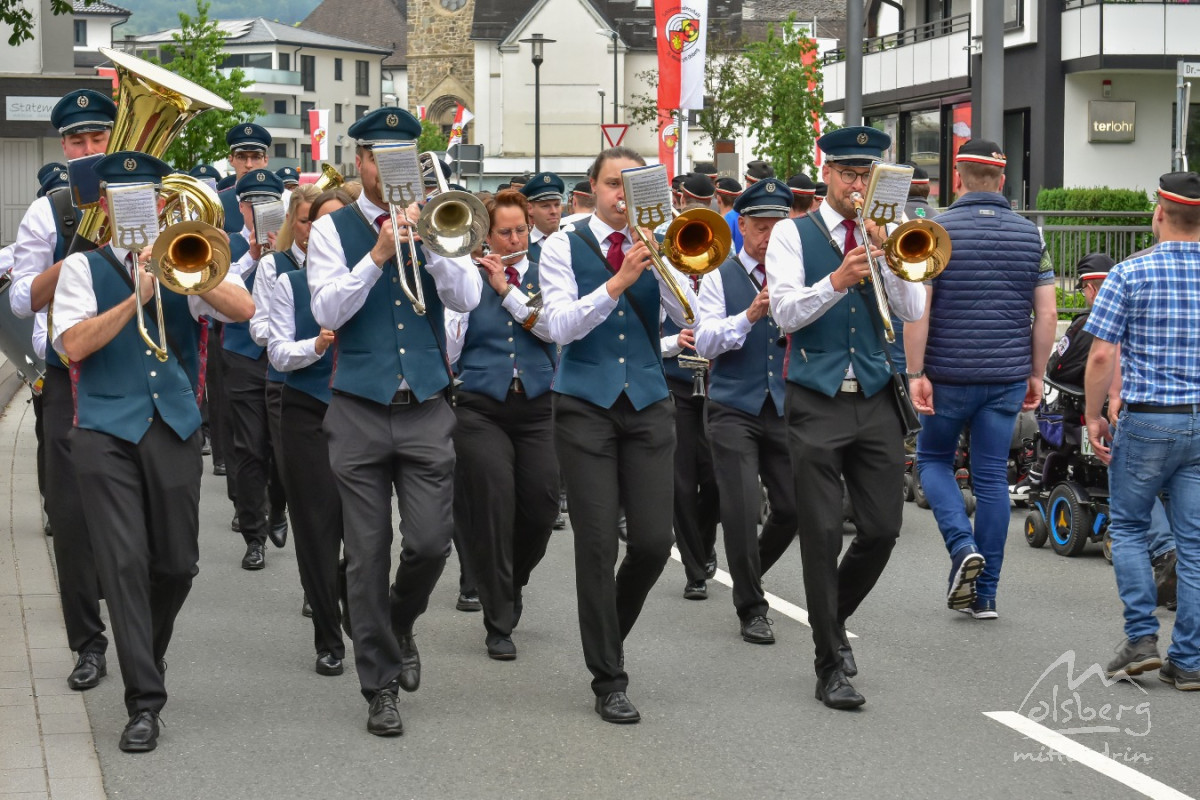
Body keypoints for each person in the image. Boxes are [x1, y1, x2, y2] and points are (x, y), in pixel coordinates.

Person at [54, 150, 254, 751]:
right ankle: (144, 702)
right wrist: (135, 294)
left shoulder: (184, 256)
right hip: (104, 433)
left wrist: (191, 266)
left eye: (146, 197)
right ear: (105, 207)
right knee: (123, 566)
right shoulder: (80, 268)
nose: (136, 207)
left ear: (161, 203)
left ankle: (147, 652)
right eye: (124, 199)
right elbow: (72, 345)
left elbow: (245, 311)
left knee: (177, 565)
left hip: (173, 425)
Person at [306, 106, 481, 736]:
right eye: (380, 159)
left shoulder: (437, 217)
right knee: (366, 553)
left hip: (426, 404)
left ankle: (398, 623)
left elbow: (468, 297)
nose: (391, 169)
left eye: (402, 157)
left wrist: (431, 245)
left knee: (431, 542)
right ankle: (379, 686)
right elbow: (326, 310)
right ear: (361, 162)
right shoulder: (333, 230)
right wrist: (378, 254)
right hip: (357, 406)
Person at [766, 126, 926, 709]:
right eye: (849, 174)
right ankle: (829, 665)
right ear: (827, 174)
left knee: (882, 529)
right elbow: (784, 314)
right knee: (822, 531)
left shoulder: (887, 230)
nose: (858, 185)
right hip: (816, 396)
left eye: (867, 175)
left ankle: (831, 620)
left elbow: (912, 309)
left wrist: (890, 258)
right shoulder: (792, 232)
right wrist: (837, 281)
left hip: (876, 395)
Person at [541, 146, 696, 724]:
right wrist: (618, 281)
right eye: (612, 184)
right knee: (597, 543)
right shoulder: (563, 245)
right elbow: (559, 326)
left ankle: (608, 633)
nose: (621, 195)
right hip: (585, 405)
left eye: (631, 186)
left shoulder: (660, 242)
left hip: (649, 402)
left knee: (654, 543)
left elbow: (692, 317)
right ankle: (609, 678)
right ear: (592, 190)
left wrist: (666, 263)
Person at [905, 139, 1055, 620]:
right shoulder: (1031, 236)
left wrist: (915, 371)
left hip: (947, 373)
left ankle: (961, 545)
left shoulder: (933, 232)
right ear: (1003, 180)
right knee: (991, 477)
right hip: (1006, 375)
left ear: (957, 177)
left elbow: (919, 309)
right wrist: (1036, 373)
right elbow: (1047, 314)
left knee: (933, 459)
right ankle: (985, 594)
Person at [9, 89, 115, 693]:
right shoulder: (47, 211)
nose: (88, 149)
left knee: (160, 536)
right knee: (72, 520)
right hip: (69, 379)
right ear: (63, 146)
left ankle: (142, 627)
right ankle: (88, 644)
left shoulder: (152, 196)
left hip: (137, 374)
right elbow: (22, 299)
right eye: (78, 141)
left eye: (98, 138)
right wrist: (77, 255)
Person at [1084, 171, 1200, 689]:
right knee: (1194, 542)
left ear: (1159, 212)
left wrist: (1093, 414)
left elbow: (1101, 355)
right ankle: (1190, 659)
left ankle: (1141, 639)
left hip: (1149, 416)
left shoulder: (1130, 272)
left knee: (1130, 526)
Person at [446, 189, 559, 660]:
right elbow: (450, 352)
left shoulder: (547, 272)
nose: (515, 240)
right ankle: (498, 619)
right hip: (480, 407)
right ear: (485, 237)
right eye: (505, 232)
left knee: (542, 508)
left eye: (521, 231)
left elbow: (553, 329)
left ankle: (511, 582)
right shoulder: (466, 281)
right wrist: (465, 284)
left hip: (537, 404)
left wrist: (506, 291)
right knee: (493, 503)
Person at [696, 178, 797, 644]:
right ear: (743, 227)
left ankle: (746, 571)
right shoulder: (720, 276)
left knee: (793, 507)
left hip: (783, 404)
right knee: (740, 508)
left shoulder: (795, 274)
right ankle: (752, 607)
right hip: (733, 406)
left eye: (778, 227)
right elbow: (705, 341)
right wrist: (749, 316)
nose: (769, 237)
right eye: (760, 227)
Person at [268, 187, 353, 676]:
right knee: (318, 527)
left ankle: (351, 596)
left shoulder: (376, 274)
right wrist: (314, 347)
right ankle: (328, 637)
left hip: (363, 409)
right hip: (307, 409)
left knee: (362, 529)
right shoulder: (290, 282)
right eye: (320, 224)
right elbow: (278, 353)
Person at [660, 171, 720, 599]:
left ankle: (704, 542)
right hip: (674, 381)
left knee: (714, 478)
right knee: (681, 481)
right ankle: (695, 569)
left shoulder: (721, 263)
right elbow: (642, 334)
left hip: (717, 384)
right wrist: (672, 342)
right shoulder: (662, 260)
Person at [223, 168, 287, 570]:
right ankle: (253, 535)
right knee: (249, 448)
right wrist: (252, 255)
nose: (260, 210)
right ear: (241, 207)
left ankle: (278, 506)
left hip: (285, 355)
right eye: (253, 203)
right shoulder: (228, 244)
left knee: (281, 447)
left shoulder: (294, 242)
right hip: (243, 354)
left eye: (269, 203)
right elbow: (219, 288)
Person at [519, 171, 564, 262]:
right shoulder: (521, 247)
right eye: (545, 206)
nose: (554, 211)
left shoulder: (574, 241)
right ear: (530, 208)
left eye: (557, 205)